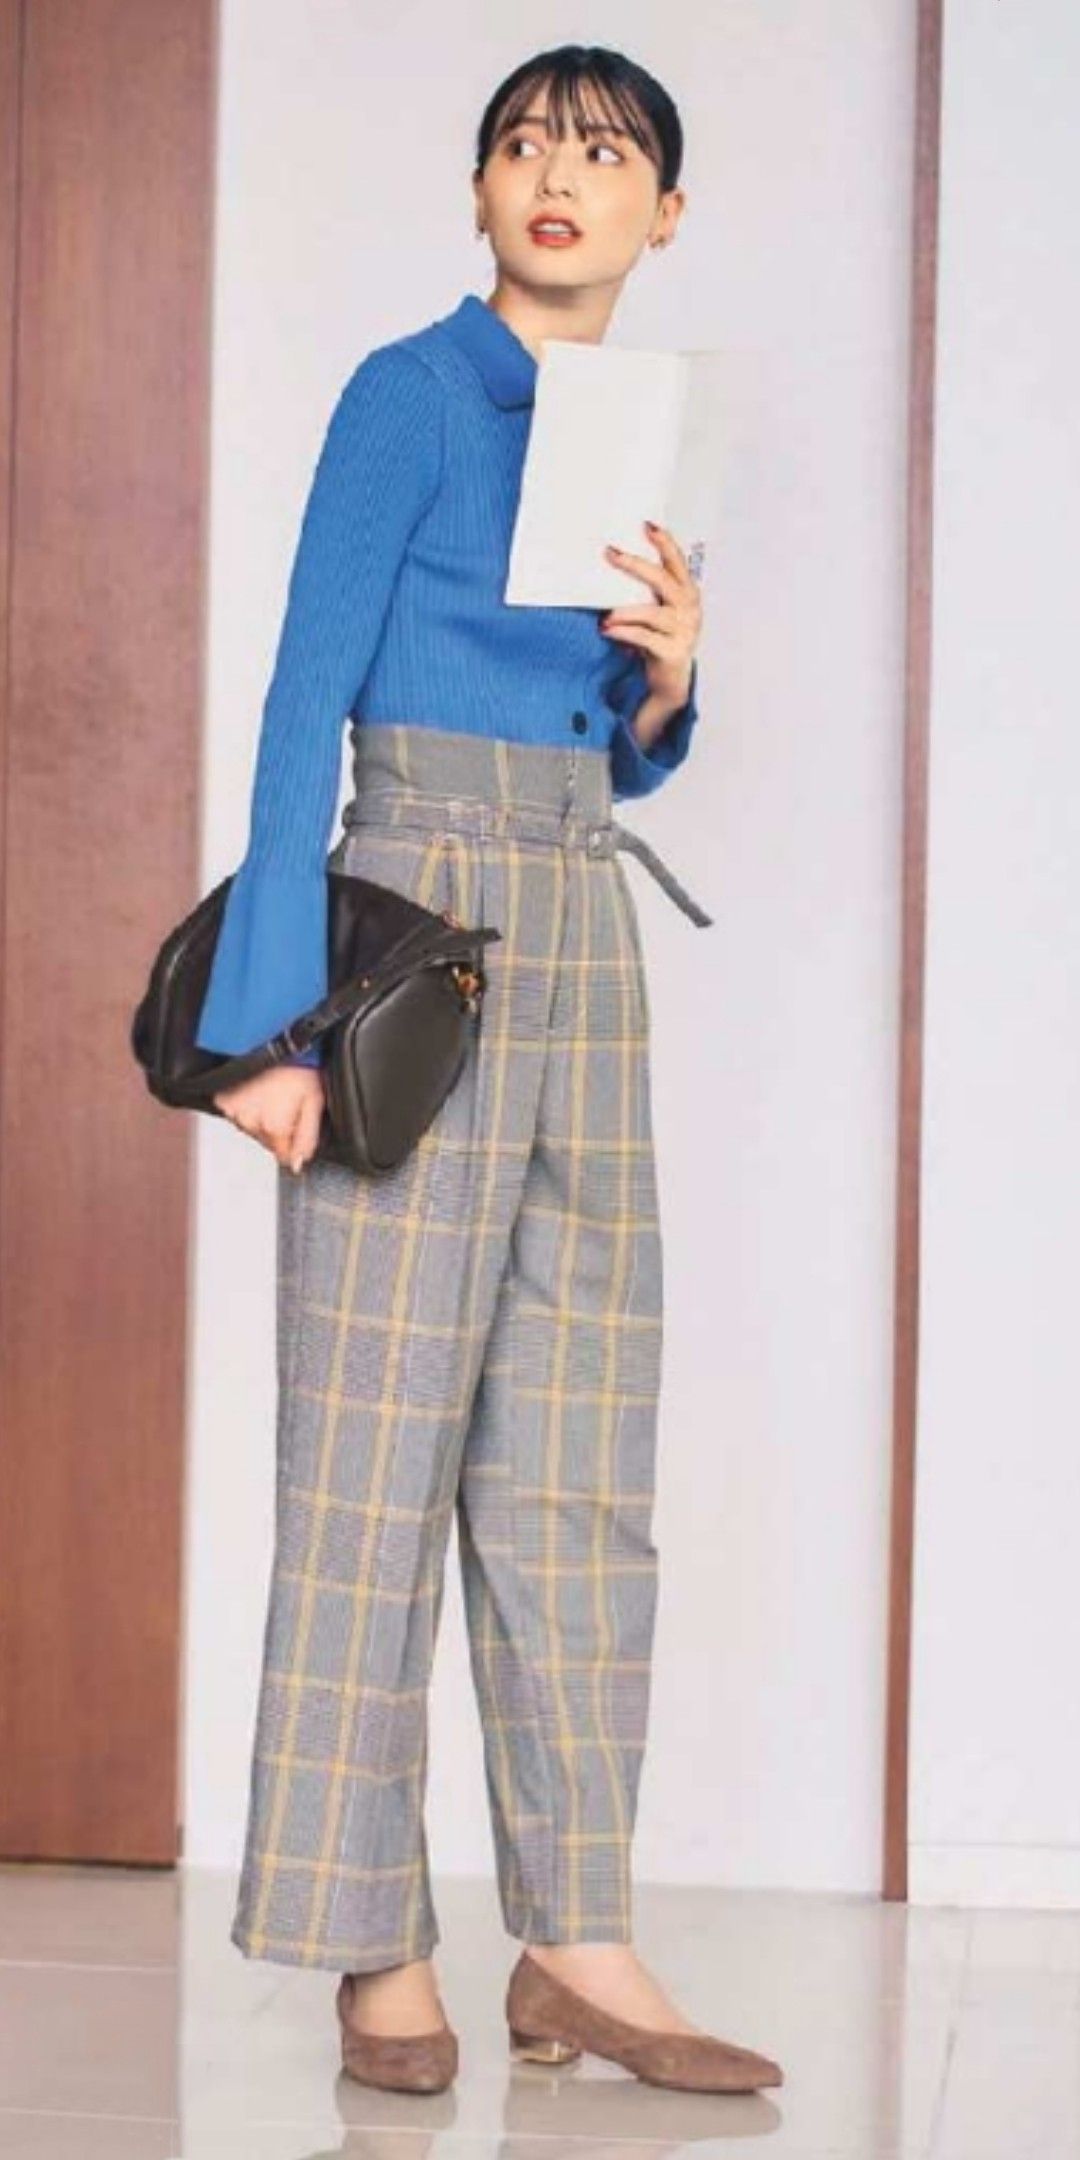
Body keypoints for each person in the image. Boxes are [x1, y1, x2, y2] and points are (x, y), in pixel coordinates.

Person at [198, 41, 784, 2099]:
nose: (560, 174)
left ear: (663, 215)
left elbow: (609, 735)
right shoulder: (408, 396)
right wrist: (264, 1026)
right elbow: (305, 693)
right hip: (410, 920)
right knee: (369, 1455)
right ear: (478, 192)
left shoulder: (644, 425)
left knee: (577, 1455)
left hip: (582, 925)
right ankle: (371, 1939)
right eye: (526, 143)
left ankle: (580, 1937)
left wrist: (672, 684)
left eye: (605, 153)